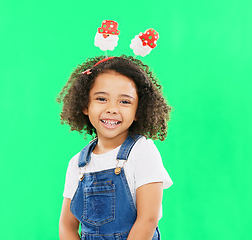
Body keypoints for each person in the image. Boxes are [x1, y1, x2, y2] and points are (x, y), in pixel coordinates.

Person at [58, 55, 172, 240]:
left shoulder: (142, 151)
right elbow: (67, 226)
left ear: (138, 111)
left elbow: (148, 219)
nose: (112, 109)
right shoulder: (78, 164)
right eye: (101, 98)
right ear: (85, 105)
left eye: (124, 101)